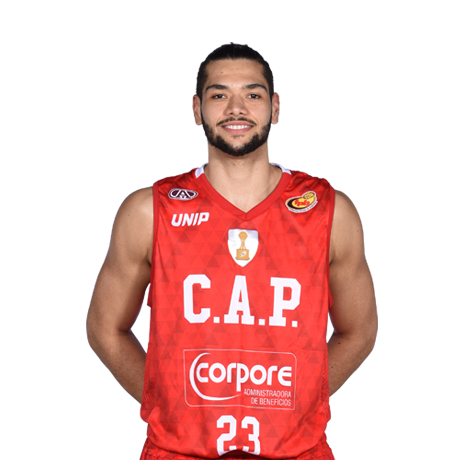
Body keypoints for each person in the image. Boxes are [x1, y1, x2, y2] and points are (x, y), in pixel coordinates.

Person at [87, 44, 377, 460]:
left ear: (275, 107)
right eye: (219, 94)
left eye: (252, 94)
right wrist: (165, 399)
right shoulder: (150, 211)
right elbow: (105, 328)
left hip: (295, 452)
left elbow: (359, 330)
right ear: (197, 109)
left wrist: (300, 398)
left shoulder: (328, 211)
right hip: (179, 452)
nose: (236, 108)